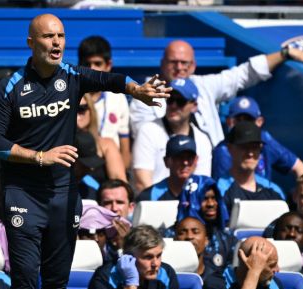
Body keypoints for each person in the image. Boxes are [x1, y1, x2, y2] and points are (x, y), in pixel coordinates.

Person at [0, 13, 171, 289]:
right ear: (30, 42)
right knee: (24, 278)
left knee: (56, 281)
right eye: (48, 36)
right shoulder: (10, 85)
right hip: (23, 194)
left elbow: (110, 79)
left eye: (61, 36)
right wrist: (41, 156)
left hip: (63, 194)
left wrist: (138, 90)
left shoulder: (71, 76)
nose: (56, 43)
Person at [129, 40, 303, 145]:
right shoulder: (145, 94)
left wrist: (285, 54)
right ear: (162, 64)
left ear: (193, 66)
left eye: (184, 63)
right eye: (173, 62)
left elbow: (243, 74)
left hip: (210, 168)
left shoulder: (203, 85)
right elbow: (145, 139)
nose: (179, 67)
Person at [132, 78, 213, 191]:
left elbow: (202, 184)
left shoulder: (202, 140)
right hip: (154, 204)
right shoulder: (148, 131)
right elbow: (142, 182)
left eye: (180, 101)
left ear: (194, 106)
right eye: (170, 100)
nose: (173, 105)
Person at [212, 96, 303, 181]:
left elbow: (300, 168)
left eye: (249, 120)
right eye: (238, 120)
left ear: (259, 122)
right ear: (229, 122)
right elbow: (224, 189)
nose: (244, 125)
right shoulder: (223, 150)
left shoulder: (265, 138)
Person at [78, 35, 131, 167]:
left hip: (110, 169)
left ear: (108, 65)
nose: (92, 69)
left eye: (97, 63)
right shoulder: (72, 95)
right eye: (87, 64)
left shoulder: (118, 98)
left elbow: (125, 147)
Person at [217, 121, 285, 212]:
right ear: (230, 148)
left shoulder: (274, 191)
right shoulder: (220, 189)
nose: (250, 153)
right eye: (244, 147)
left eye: (255, 147)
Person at [173, 175, 235, 274]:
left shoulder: (227, 239)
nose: (211, 204)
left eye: (214, 198)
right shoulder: (170, 237)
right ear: (191, 200)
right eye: (204, 199)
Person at [76, 94, 127, 182]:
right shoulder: (56, 147)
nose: (76, 115)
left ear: (91, 111)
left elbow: (120, 185)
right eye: (71, 110)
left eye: (82, 109)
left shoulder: (107, 145)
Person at [136, 135, 199, 202]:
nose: (185, 163)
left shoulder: (205, 192)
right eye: (179, 157)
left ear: (196, 160)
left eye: (190, 158)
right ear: (166, 161)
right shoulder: (149, 196)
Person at [97, 179, 134, 253]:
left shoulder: (140, 237)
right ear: (99, 207)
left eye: (120, 202)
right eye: (108, 203)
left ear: (131, 207)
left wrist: (127, 243)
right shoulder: (91, 237)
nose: (114, 208)